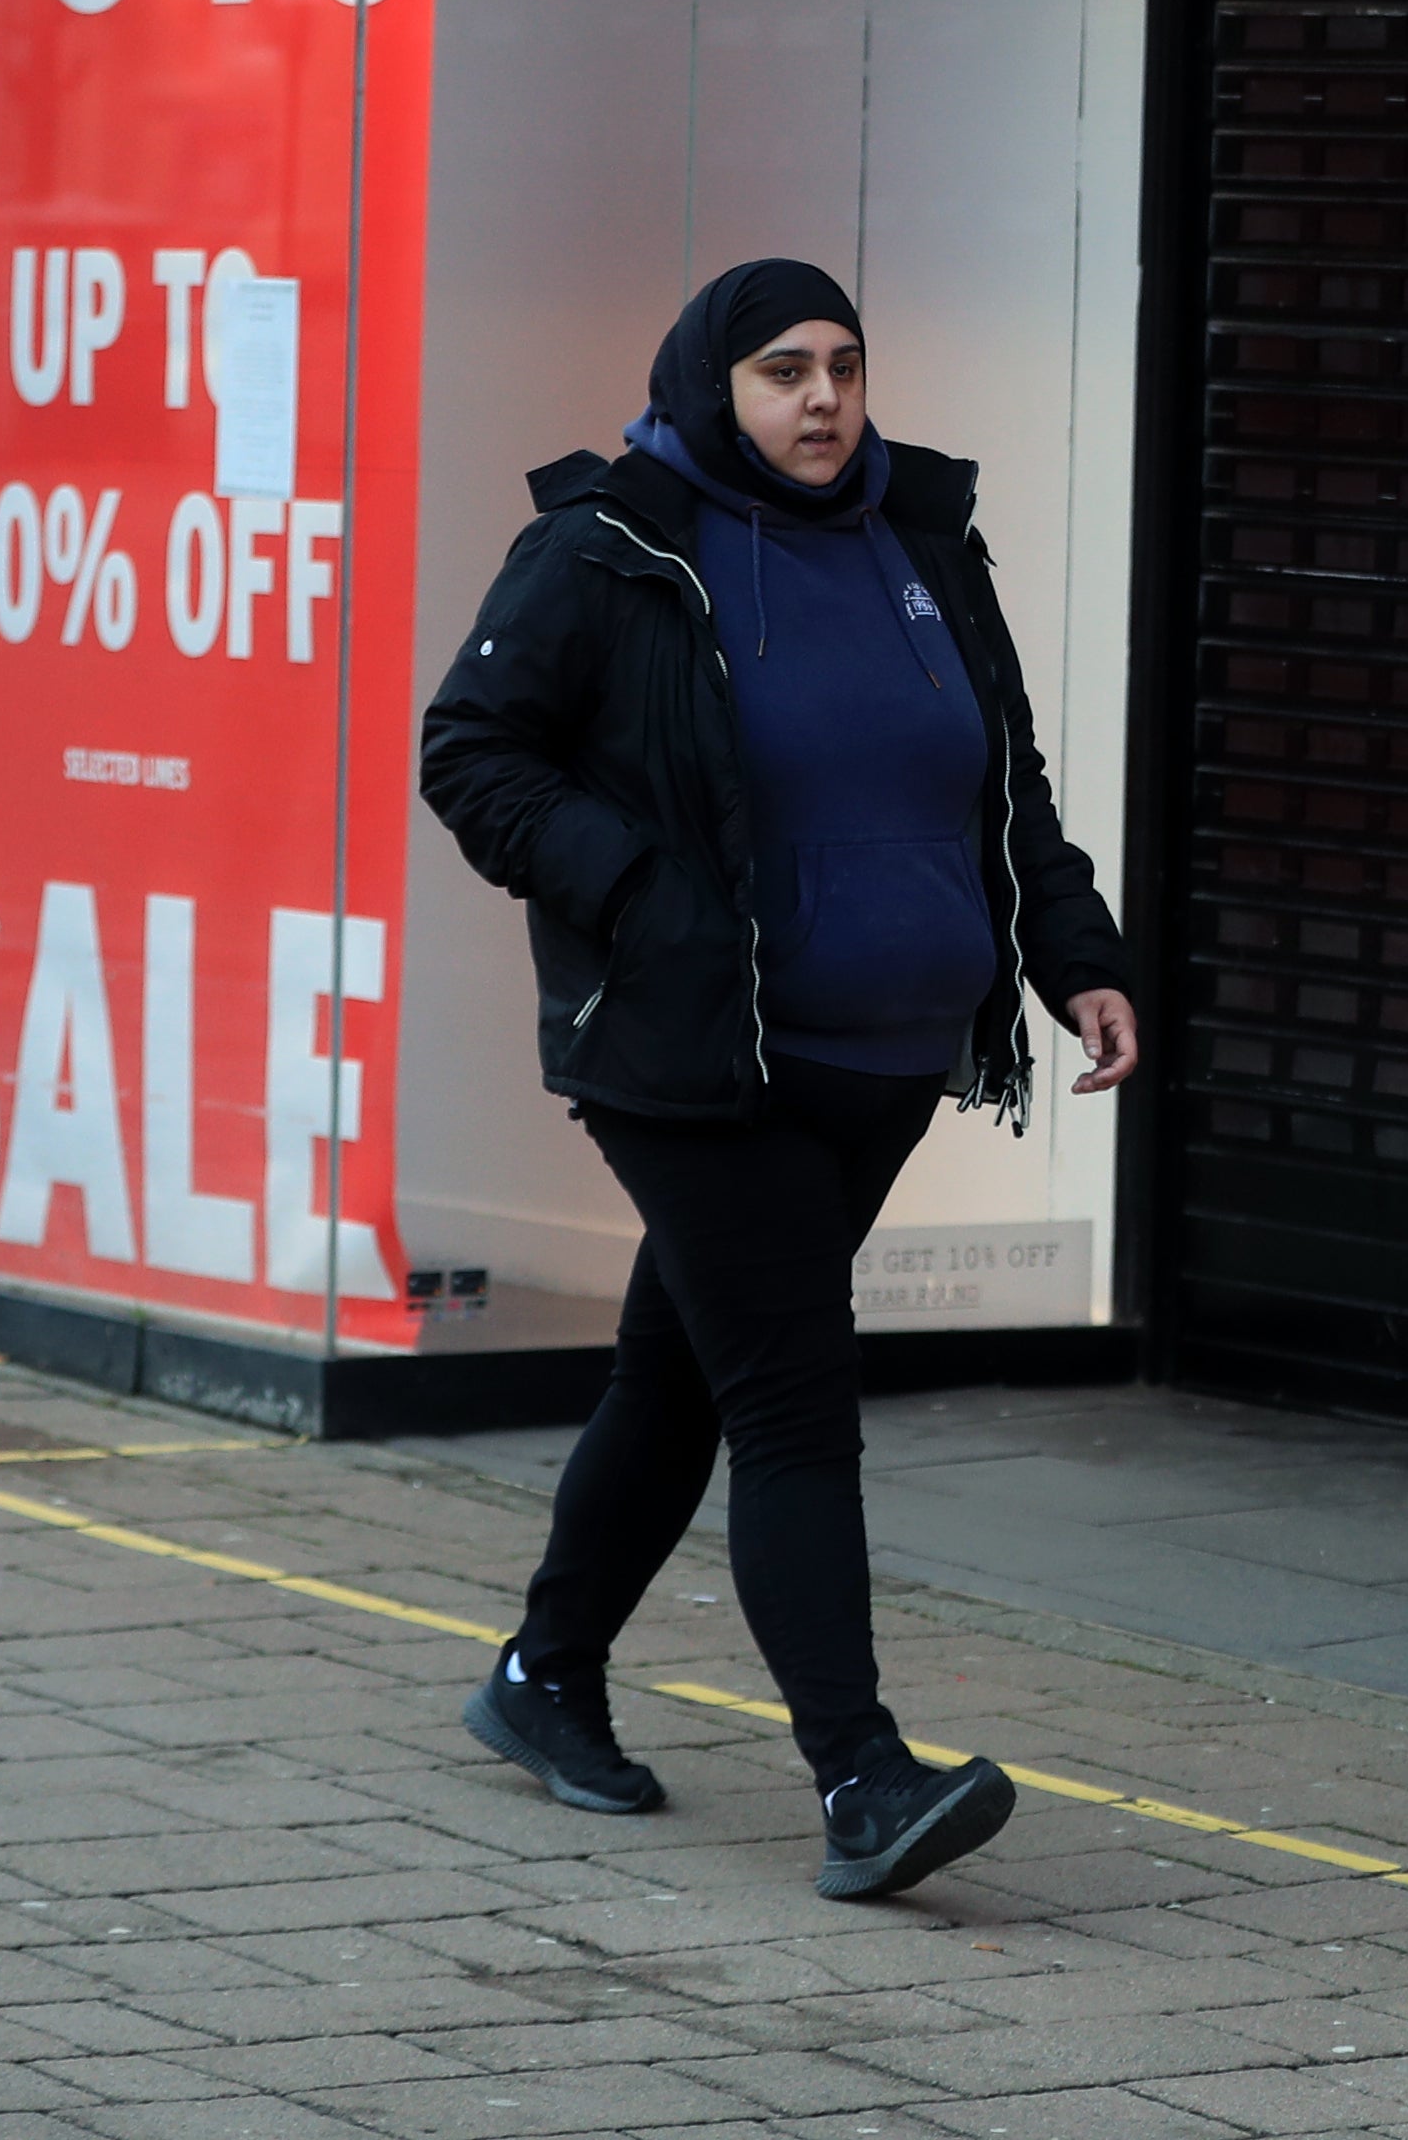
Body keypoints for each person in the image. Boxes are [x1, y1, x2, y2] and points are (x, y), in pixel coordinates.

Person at [418, 258, 1140, 1900]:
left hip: (884, 1059)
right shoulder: (611, 546)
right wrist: (642, 887)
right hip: (700, 1061)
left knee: (679, 1376)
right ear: (710, 387)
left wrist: (1079, 958)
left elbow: (1000, 774)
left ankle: (540, 1677)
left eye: (843, 366)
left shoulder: (922, 539)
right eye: (780, 372)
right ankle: (860, 1780)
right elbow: (471, 751)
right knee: (795, 1407)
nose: (821, 400)